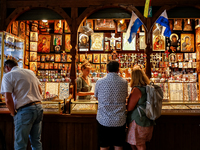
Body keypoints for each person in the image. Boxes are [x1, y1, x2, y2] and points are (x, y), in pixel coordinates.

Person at [1, 59, 43, 150]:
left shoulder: (8, 76)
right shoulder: (30, 72)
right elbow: (40, 91)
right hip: (38, 108)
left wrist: (13, 114)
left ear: (7, 67)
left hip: (24, 110)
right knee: (36, 142)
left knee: (20, 145)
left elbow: (8, 100)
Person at [95, 61, 128, 150]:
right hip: (119, 120)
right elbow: (125, 96)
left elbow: (96, 97)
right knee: (118, 146)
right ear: (118, 70)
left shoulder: (99, 81)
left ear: (107, 70)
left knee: (104, 146)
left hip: (103, 119)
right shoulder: (124, 82)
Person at [126, 66, 154, 150]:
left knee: (139, 144)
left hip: (138, 121)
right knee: (136, 143)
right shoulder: (148, 88)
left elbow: (130, 108)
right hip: (148, 119)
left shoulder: (136, 90)